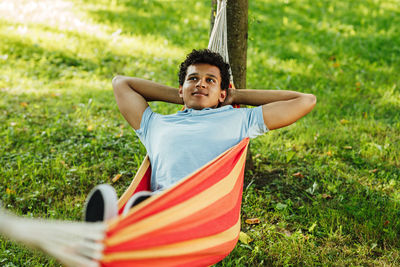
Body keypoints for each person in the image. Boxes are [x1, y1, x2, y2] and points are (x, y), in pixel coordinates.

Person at [84, 49, 316, 222]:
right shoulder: (155, 124)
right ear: (181, 88)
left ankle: (132, 219)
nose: (200, 84)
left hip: (204, 211)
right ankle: (125, 223)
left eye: (210, 81)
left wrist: (236, 96)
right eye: (193, 79)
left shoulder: (239, 120)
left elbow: (305, 101)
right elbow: (121, 83)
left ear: (222, 93)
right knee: (119, 199)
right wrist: (184, 96)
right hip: (161, 202)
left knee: (149, 210)